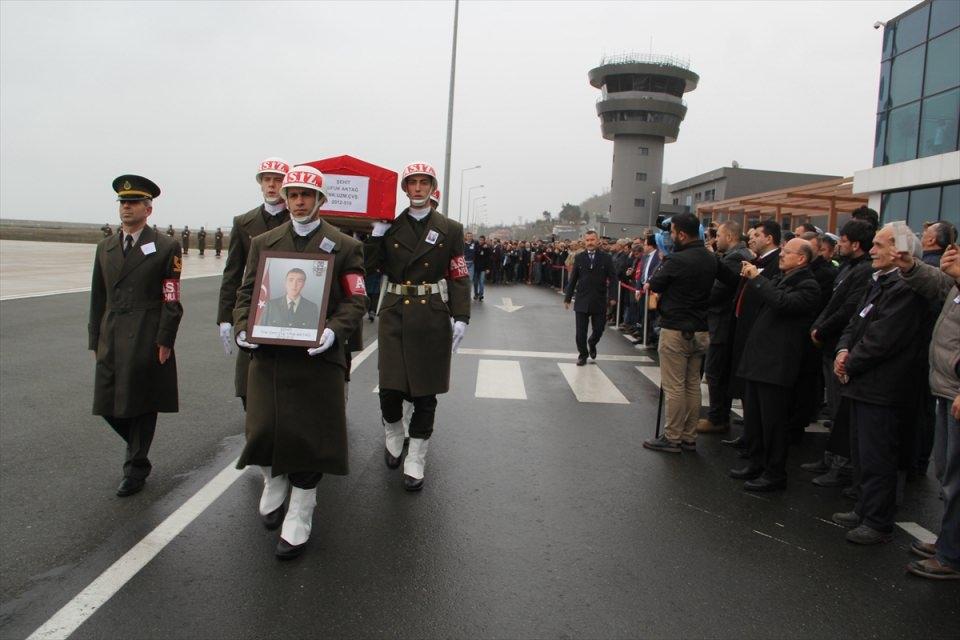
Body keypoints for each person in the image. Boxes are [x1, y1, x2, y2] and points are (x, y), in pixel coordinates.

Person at [233, 165, 367, 559]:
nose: (298, 202)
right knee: (266, 425)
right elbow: (247, 293)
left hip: (316, 359)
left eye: (307, 195)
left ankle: (302, 511)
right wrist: (243, 327)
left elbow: (356, 299)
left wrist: (333, 331)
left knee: (311, 435)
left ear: (321, 200)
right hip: (271, 356)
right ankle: (274, 480)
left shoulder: (343, 245)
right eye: (292, 195)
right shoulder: (265, 241)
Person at [365, 162, 471, 491]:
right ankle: (395, 431)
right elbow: (367, 267)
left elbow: (458, 273)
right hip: (396, 311)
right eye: (413, 183)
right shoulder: (392, 227)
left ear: (432, 187)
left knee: (425, 392)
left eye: (425, 183)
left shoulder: (451, 228)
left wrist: (461, 315)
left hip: (431, 314)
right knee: (390, 388)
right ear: (405, 188)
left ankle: (417, 455)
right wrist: (375, 236)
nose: (419, 188)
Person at [831, 224, 927, 545]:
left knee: (877, 455)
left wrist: (850, 363)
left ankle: (877, 520)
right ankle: (863, 507)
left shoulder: (904, 289)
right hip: (862, 382)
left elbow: (883, 339)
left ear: (900, 251)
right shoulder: (879, 283)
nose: (871, 251)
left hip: (883, 387)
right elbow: (855, 322)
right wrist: (843, 350)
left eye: (878, 245)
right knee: (861, 452)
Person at [88, 175, 182, 497]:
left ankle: (135, 466)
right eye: (122, 203)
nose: (126, 208)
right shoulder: (106, 247)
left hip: (146, 332)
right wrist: (93, 339)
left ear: (148, 208)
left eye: (133, 203)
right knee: (106, 403)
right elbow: (97, 297)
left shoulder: (167, 246)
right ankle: (139, 446)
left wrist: (165, 338)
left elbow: (171, 296)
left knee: (141, 401)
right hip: (112, 332)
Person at [727, 238, 820, 490]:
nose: (781, 256)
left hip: (777, 364)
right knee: (755, 419)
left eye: (786, 252)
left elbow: (782, 303)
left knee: (773, 422)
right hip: (760, 360)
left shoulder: (808, 285)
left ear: (801, 258)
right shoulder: (782, 278)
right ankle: (756, 462)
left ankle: (774, 472)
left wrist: (757, 278)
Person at [896, 242, 960, 579]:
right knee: (948, 472)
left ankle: (952, 556)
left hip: (957, 392)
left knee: (957, 478)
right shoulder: (954, 285)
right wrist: (909, 265)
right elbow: (936, 283)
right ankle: (950, 541)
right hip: (947, 389)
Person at [804, 220, 876, 488]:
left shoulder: (864, 271)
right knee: (834, 408)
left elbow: (849, 309)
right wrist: (819, 328)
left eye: (842, 241)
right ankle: (829, 458)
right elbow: (835, 302)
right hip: (831, 343)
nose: (837, 245)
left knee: (840, 411)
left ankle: (840, 466)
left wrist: (823, 329)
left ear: (855, 244)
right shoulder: (849, 267)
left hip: (839, 346)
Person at [216, 157, 291, 409]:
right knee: (249, 377)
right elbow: (233, 272)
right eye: (267, 180)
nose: (272, 185)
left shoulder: (298, 220)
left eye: (278, 180)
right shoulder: (243, 222)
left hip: (290, 303)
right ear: (260, 184)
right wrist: (226, 317)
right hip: (255, 306)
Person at [641, 213, 716, 453]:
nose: (670, 237)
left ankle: (672, 436)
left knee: (674, 386)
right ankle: (688, 436)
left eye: (672, 232)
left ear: (681, 234)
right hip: (701, 329)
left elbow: (655, 284)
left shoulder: (677, 259)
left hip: (676, 329)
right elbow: (728, 281)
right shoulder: (710, 257)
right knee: (692, 385)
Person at [720, 220, 782, 451]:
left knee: (753, 387)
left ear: (769, 238)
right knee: (743, 383)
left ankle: (756, 440)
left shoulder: (775, 264)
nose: (751, 239)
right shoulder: (755, 261)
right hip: (742, 327)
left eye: (756, 235)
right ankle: (749, 433)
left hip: (757, 333)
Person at [698, 220, 751, 434]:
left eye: (718, 236)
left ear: (729, 237)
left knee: (715, 372)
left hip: (722, 322)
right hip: (724, 321)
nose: (715, 240)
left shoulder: (735, 258)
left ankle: (717, 417)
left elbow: (717, 291)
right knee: (719, 371)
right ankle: (720, 415)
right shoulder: (736, 256)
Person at [564, 230, 616, 366]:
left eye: (592, 240)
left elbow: (613, 279)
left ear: (597, 241)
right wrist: (568, 298)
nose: (590, 243)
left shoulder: (606, 258)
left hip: (599, 300)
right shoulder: (579, 257)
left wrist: (613, 296)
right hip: (582, 300)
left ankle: (592, 342)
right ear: (584, 242)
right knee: (580, 332)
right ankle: (583, 355)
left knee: (599, 329)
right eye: (587, 240)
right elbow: (573, 278)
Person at [474, 235, 490, 301]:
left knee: (481, 282)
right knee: (475, 282)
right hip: (475, 267)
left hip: (483, 268)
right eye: (480, 240)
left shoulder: (487, 248)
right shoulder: (476, 246)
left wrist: (488, 268)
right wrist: (481, 248)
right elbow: (475, 254)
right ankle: (476, 294)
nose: (481, 241)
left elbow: (488, 259)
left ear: (484, 240)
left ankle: (481, 295)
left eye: (482, 240)